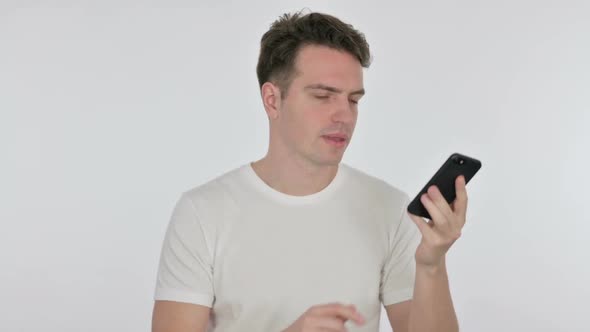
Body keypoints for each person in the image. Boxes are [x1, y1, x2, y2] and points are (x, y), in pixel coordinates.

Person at [151, 10, 467, 332]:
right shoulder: (202, 213)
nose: (344, 115)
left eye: (353, 100)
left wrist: (430, 265)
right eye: (323, 96)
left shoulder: (389, 209)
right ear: (272, 100)